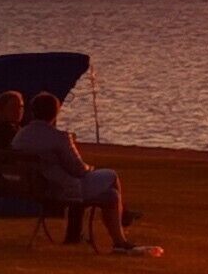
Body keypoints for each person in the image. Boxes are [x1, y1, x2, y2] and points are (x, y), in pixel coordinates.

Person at [11, 86, 159, 256]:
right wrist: (90, 168)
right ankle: (122, 224)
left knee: (111, 195)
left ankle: (117, 236)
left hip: (36, 188)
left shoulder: (20, 136)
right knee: (111, 175)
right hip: (59, 190)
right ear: (55, 113)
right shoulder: (58, 137)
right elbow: (78, 169)